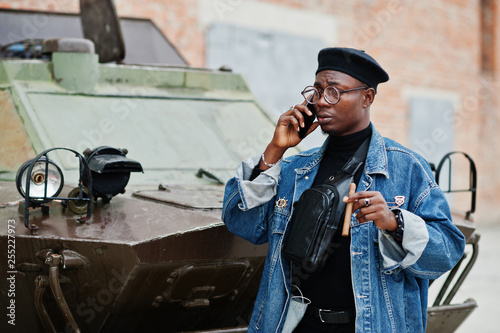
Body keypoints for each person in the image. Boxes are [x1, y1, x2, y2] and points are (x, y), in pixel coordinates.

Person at [221, 47, 466, 333]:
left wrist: (395, 223)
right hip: (298, 324)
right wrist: (275, 150)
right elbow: (243, 223)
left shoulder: (407, 168)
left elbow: (447, 252)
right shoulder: (295, 169)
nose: (321, 102)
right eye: (317, 90)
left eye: (334, 92)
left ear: (367, 97)